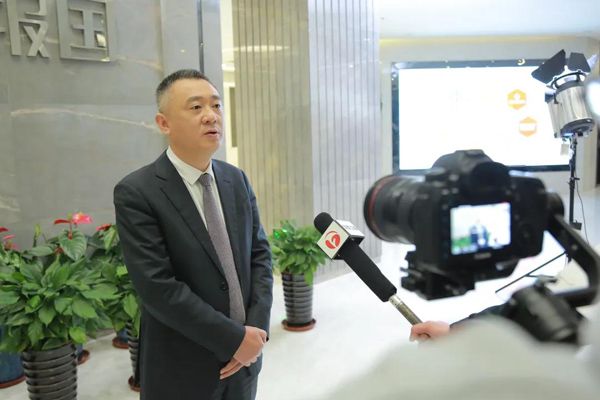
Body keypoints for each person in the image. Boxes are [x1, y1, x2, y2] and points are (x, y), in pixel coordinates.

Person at [114, 69, 273, 400]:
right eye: (196, 107)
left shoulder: (235, 179)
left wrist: (255, 332)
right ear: (164, 123)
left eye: (216, 105)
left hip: (245, 363)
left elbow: (259, 256)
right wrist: (233, 339)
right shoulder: (138, 192)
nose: (211, 116)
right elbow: (158, 288)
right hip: (182, 369)